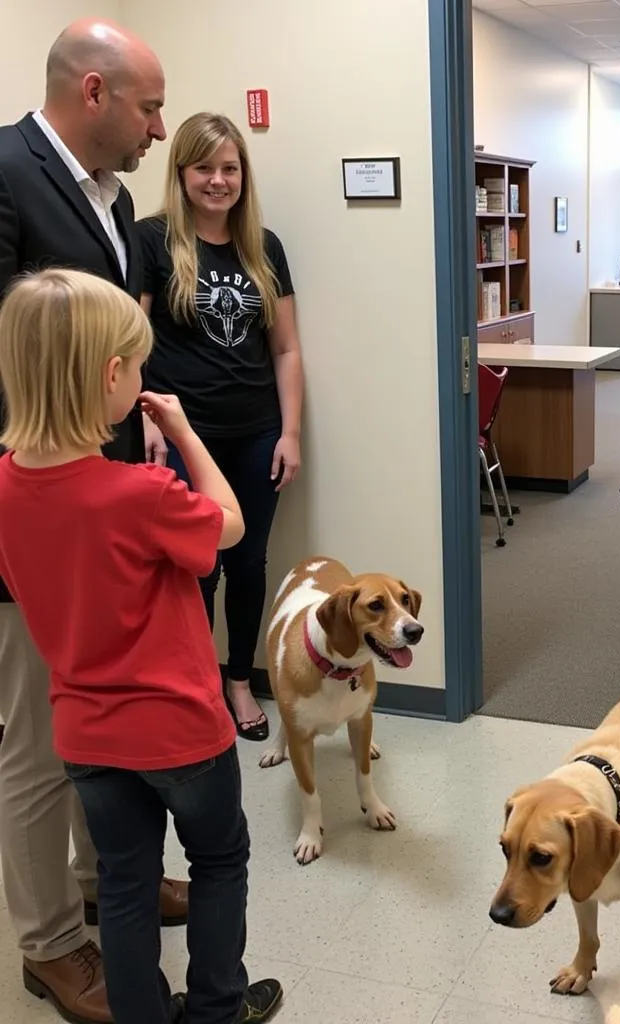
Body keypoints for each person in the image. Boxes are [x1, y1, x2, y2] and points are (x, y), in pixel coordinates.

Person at [0, 267, 283, 1023]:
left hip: (85, 734)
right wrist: (187, 433)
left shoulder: (5, 485)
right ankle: (218, 1007)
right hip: (180, 729)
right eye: (138, 362)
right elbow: (229, 526)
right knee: (219, 860)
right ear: (111, 376)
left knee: (125, 881)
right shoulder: (141, 493)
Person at [0, 18, 188, 1021]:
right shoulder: (4, 171)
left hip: (109, 499)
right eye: (149, 106)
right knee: (38, 738)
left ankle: (99, 880)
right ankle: (50, 943)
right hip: (40, 514)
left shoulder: (111, 198)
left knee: (98, 717)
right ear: (91, 92)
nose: (160, 128)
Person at [138, 111, 304, 742]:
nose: (218, 181)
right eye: (204, 167)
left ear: (243, 174)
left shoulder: (265, 247)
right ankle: (198, 682)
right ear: (181, 172)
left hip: (257, 430)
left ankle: (239, 679)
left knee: (248, 561)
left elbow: (286, 349)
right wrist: (147, 416)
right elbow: (131, 339)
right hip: (184, 433)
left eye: (229, 168)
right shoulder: (150, 241)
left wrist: (290, 432)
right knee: (194, 566)